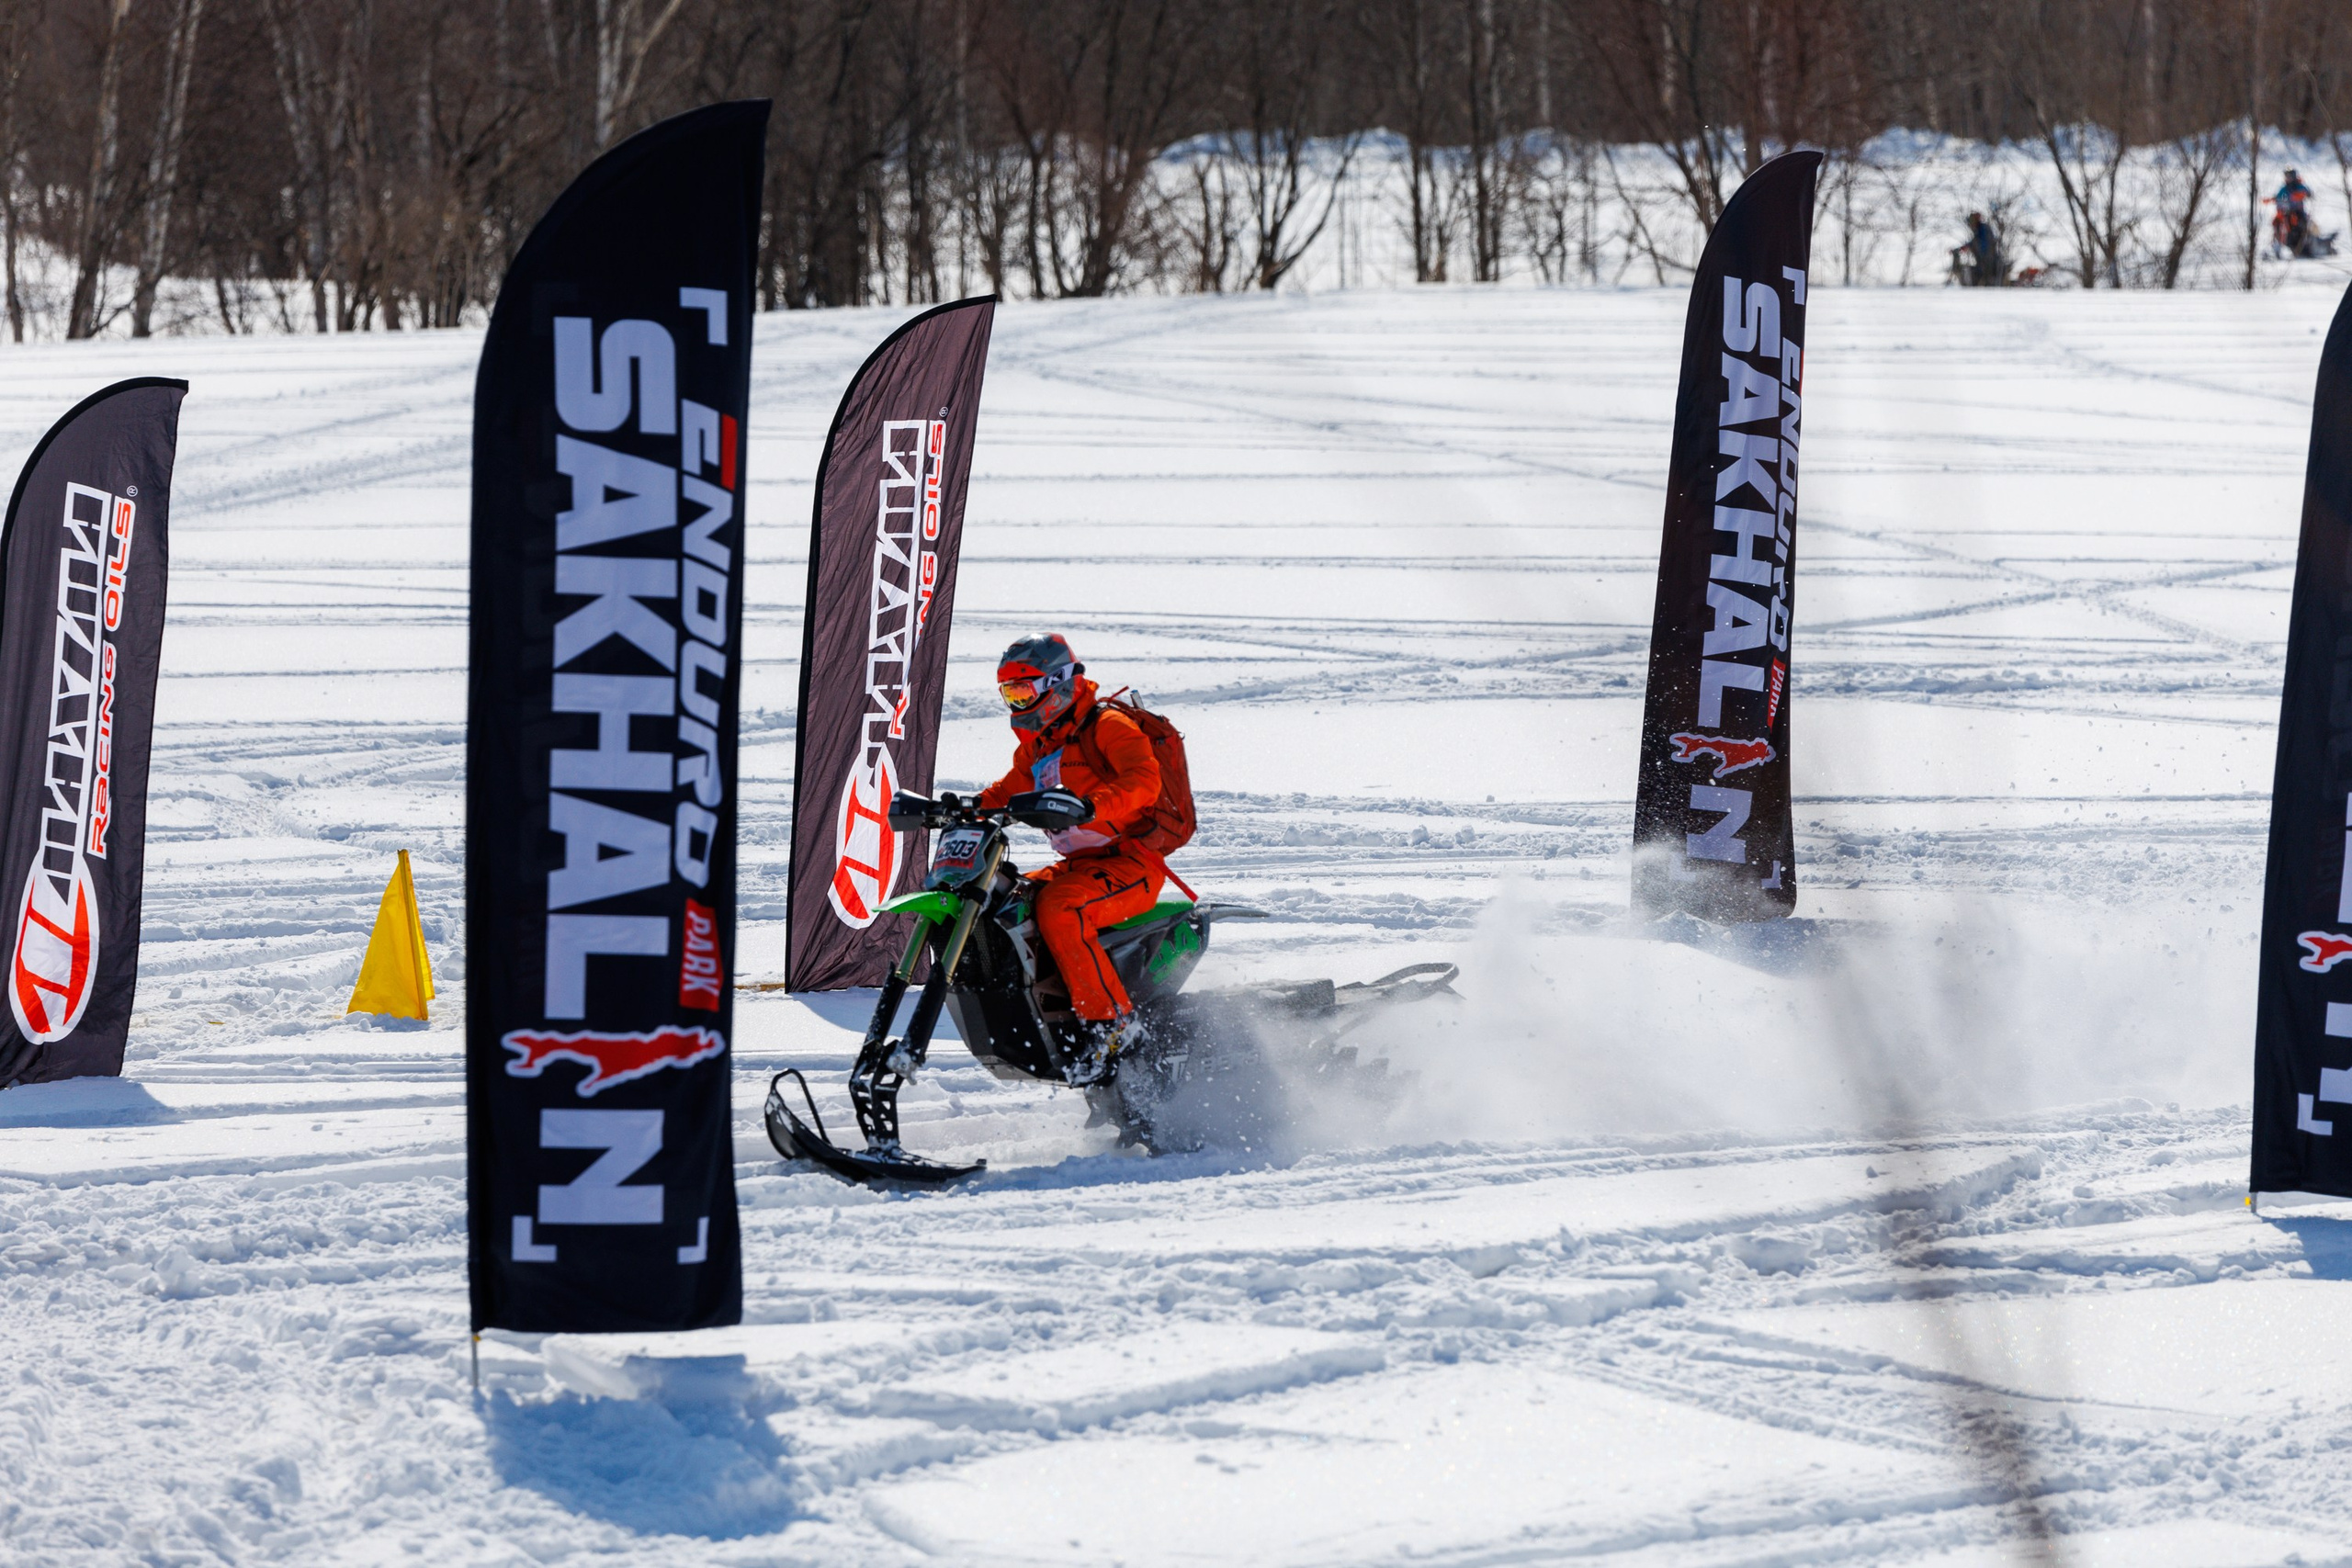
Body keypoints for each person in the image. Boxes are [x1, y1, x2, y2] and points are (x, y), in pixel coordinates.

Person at [978, 634, 1165, 1084]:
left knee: (1060, 908)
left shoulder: (1107, 726)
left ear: (1059, 682)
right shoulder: (1040, 743)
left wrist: (1094, 805)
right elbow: (1007, 792)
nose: (1018, 702)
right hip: (1080, 867)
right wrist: (963, 809)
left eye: (1024, 690)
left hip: (1130, 864)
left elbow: (1144, 781)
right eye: (1011, 693)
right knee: (1008, 904)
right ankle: (1053, 1025)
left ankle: (1112, 1028)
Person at [2277, 169, 2315, 254]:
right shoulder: (2284, 188)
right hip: (2287, 212)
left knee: (2302, 225)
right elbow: (2278, 196)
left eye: (2289, 176)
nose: (2288, 178)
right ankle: (2280, 244)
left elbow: (2308, 193)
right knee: (2277, 223)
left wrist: (2304, 194)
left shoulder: (2299, 186)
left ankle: (2305, 244)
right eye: (2286, 176)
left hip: (2299, 212)